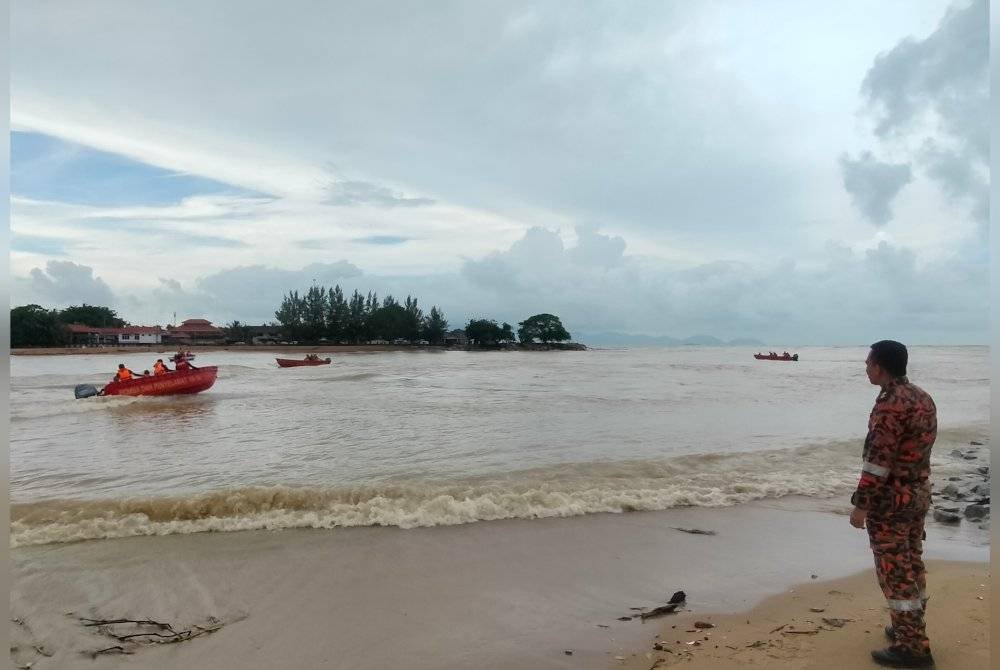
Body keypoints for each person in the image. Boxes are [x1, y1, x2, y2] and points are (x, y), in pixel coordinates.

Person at [850, 340, 936, 668]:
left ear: (880, 366)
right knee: (911, 562)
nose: (866, 367)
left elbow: (878, 462)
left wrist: (861, 505)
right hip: (917, 494)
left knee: (894, 570)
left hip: (892, 502)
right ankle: (908, 628)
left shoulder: (890, 403)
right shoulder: (921, 397)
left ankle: (913, 647)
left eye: (868, 362)